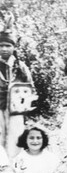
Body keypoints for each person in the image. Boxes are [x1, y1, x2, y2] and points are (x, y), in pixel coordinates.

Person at [0, 16, 35, 158]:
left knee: (15, 137)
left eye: (8, 46)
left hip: (16, 110)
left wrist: (25, 102)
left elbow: (31, 88)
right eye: (1, 45)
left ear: (14, 47)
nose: (4, 49)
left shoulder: (20, 66)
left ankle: (14, 168)